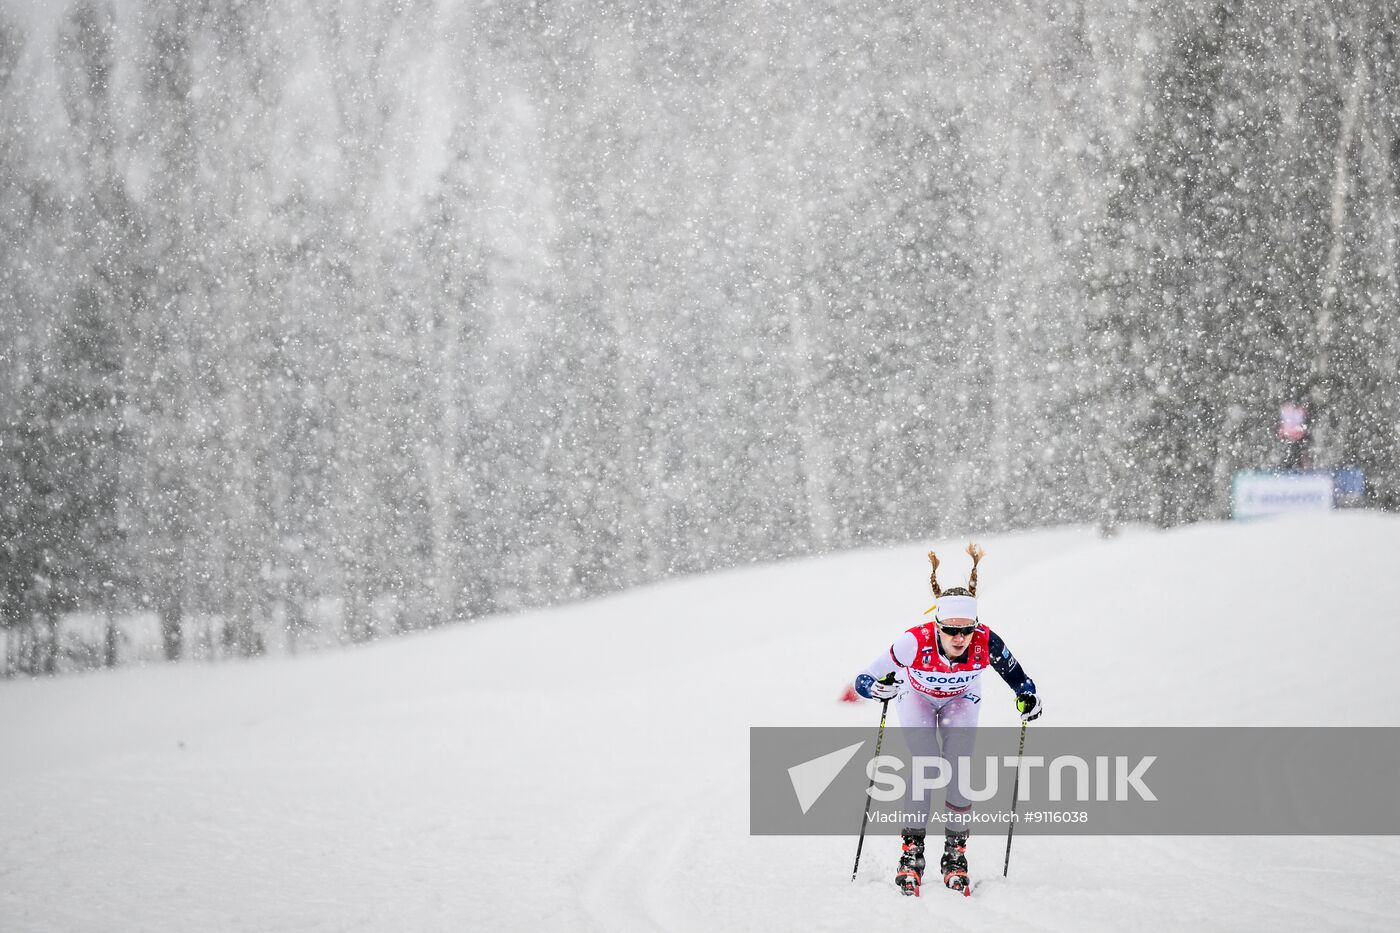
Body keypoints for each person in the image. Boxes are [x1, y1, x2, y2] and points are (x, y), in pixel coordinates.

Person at [852, 544, 1041, 897]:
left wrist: (1028, 698)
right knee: (925, 763)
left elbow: (1020, 680)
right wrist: (875, 688)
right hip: (917, 698)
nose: (959, 638)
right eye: (951, 630)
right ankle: (912, 853)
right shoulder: (914, 641)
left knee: (959, 767)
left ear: (975, 627)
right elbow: (863, 679)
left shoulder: (987, 641)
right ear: (936, 625)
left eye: (967, 630)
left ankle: (955, 855)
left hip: (961, 699)